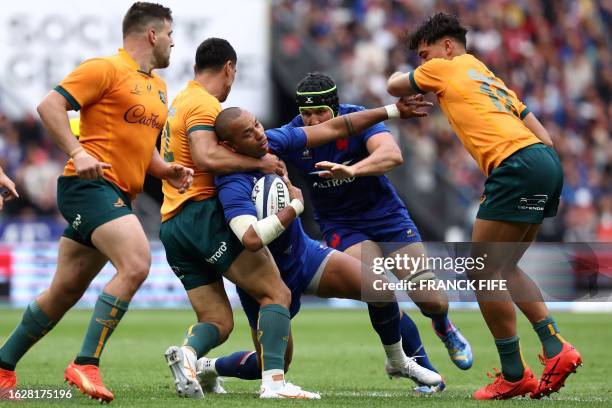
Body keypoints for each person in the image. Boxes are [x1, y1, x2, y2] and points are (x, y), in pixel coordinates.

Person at [0, 3, 193, 403]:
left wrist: (165, 170)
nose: (175, 42)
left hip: (117, 193)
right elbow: (49, 105)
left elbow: (140, 148)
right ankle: (85, 363)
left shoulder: (158, 87)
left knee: (63, 291)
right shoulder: (104, 68)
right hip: (86, 187)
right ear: (152, 34)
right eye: (170, 33)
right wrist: (78, 151)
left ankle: (2, 367)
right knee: (137, 262)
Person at [387, 12, 581, 400]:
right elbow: (543, 135)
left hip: (515, 166)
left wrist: (416, 77)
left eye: (425, 55)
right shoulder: (488, 76)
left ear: (446, 46)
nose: (424, 65)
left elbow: (394, 84)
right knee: (503, 268)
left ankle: (521, 368)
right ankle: (551, 346)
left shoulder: (446, 66)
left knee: (482, 272)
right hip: (543, 162)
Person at [193, 102, 445, 395]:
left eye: (257, 125)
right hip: (263, 280)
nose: (259, 135)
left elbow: (337, 126)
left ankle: (398, 360)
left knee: (378, 287)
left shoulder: (274, 140)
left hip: (305, 256)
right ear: (230, 146)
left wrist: (391, 110)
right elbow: (250, 239)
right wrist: (295, 206)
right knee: (274, 365)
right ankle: (208, 368)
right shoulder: (231, 182)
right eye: (248, 134)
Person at [159, 37, 320, 400]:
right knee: (276, 292)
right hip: (201, 214)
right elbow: (206, 158)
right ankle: (275, 384)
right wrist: (259, 163)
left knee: (217, 321)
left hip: (173, 224)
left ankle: (187, 355)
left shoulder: (179, 101)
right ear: (229, 68)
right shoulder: (204, 104)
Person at [282, 73, 473, 377]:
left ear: (336, 108)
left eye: (321, 112)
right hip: (341, 225)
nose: (313, 120)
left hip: (386, 216)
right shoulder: (293, 134)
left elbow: (391, 154)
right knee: (378, 289)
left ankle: (444, 326)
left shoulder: (357, 117)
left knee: (431, 299)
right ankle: (422, 367)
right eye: (306, 113)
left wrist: (352, 170)